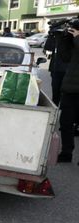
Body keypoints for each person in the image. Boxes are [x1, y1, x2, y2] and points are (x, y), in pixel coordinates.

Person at [57, 27, 79, 164]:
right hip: (70, 89)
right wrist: (64, 39)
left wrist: (77, 38)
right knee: (65, 123)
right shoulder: (75, 41)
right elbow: (65, 57)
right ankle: (66, 153)